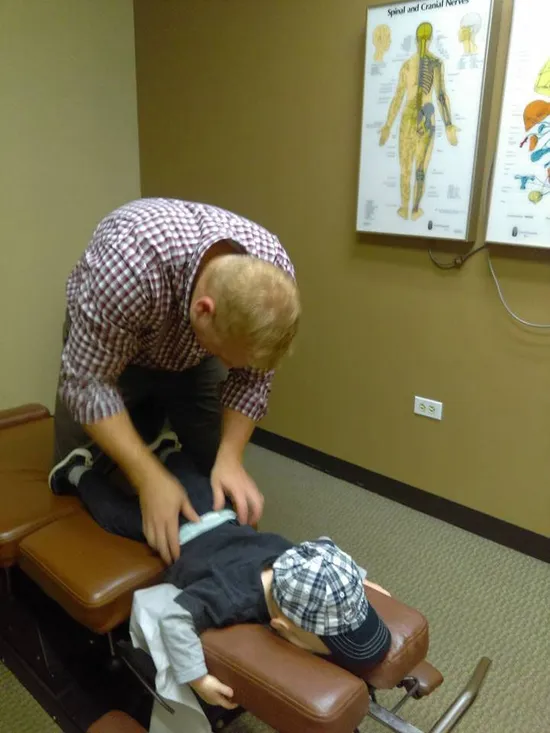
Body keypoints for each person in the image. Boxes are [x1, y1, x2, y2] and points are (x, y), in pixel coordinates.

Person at [55, 443, 392, 727]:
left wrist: (358, 580)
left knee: (192, 482)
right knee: (115, 514)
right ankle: (78, 473)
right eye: (331, 642)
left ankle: (168, 449)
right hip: (173, 531)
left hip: (218, 513)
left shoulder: (294, 559)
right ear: (281, 626)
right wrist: (197, 677)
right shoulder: (230, 595)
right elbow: (175, 620)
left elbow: (324, 549)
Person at [48, 198, 300, 565]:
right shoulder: (129, 263)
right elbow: (87, 382)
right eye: (229, 359)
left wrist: (230, 457)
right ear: (204, 310)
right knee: (74, 475)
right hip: (109, 355)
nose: (233, 368)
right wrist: (147, 477)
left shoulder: (272, 273)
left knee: (211, 470)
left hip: (191, 354)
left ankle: (163, 449)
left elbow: (252, 379)